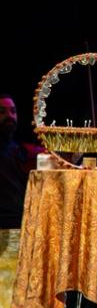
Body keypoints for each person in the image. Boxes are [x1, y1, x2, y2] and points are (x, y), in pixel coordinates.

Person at [0, 93, 39, 229]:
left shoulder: (20, 151)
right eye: (2, 112)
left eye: (13, 111)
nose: (10, 116)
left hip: (18, 224)